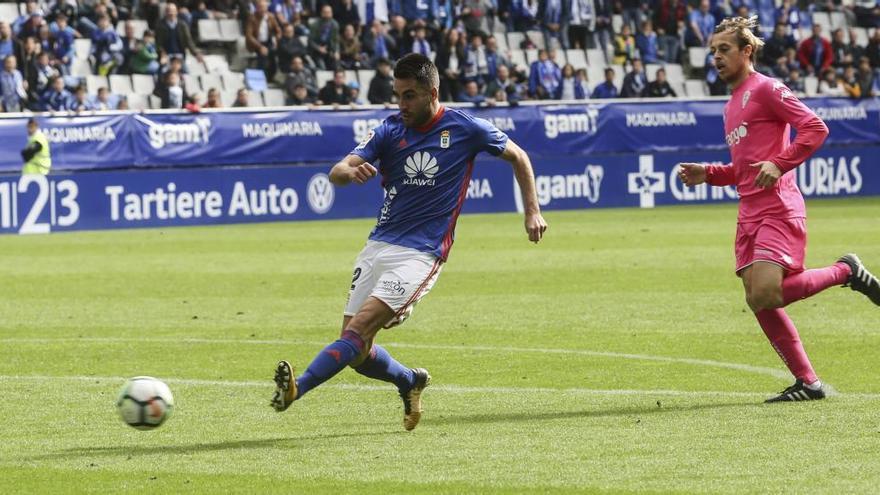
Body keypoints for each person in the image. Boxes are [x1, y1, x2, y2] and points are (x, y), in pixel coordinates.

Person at [270, 53, 548, 430]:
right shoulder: (389, 130)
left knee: (357, 333)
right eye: (398, 95)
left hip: (420, 253)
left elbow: (519, 157)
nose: (401, 104)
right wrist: (350, 172)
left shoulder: (465, 128)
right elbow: (336, 171)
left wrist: (532, 211)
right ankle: (409, 381)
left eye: (410, 96)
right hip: (378, 245)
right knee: (356, 350)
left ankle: (297, 389)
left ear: (432, 93)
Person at [677, 16, 880, 403]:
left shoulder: (767, 88)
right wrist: (710, 173)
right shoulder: (730, 106)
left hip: (778, 207)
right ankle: (808, 383)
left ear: (746, 51)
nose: (716, 58)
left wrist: (781, 163)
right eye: (713, 51)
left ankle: (845, 271)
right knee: (757, 298)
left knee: (768, 292)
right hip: (749, 212)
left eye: (725, 50)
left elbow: (815, 128)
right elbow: (743, 169)